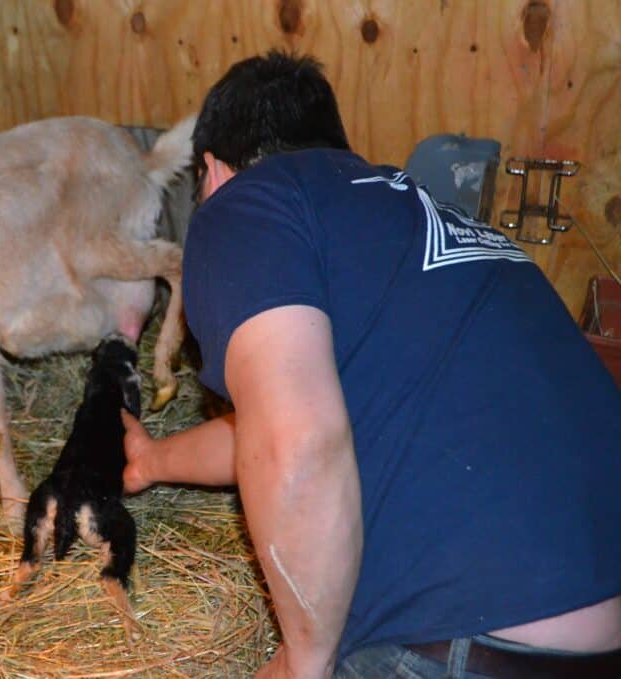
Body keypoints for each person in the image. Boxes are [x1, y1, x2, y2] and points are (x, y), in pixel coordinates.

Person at [120, 51, 621, 679]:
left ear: (214, 171)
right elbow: (275, 426)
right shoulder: (427, 221)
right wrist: (150, 462)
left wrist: (306, 658)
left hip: (464, 637)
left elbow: (295, 443)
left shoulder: (245, 207)